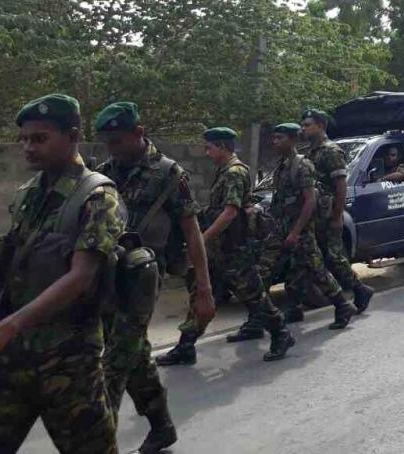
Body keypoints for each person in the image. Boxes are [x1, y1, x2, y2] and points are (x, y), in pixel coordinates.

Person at [0, 95, 124, 454]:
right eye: (24, 139)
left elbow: (81, 277)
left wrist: (9, 326)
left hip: (68, 362)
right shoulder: (28, 195)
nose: (28, 147)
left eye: (39, 138)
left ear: (73, 136)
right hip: (13, 358)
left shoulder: (98, 196)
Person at [95, 102, 214, 454]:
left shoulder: (169, 174)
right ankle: (162, 426)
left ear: (139, 132)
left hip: (145, 279)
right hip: (108, 275)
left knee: (115, 361)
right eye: (107, 142)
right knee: (135, 353)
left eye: (117, 140)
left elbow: (192, 232)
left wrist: (203, 290)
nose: (112, 148)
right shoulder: (104, 173)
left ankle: (94, 441)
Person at [157, 127, 294, 366]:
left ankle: (281, 333)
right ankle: (185, 346)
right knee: (200, 295)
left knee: (253, 296)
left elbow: (230, 212)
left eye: (209, 148)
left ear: (221, 146)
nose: (206, 153)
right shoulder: (225, 171)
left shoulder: (234, 172)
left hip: (233, 250)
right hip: (219, 249)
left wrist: (203, 239)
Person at [257, 123, 357, 328]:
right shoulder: (282, 166)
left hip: (300, 230)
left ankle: (342, 305)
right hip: (281, 227)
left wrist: (295, 232)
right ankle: (265, 316)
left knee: (317, 271)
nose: (275, 142)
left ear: (292, 140)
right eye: (274, 138)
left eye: (280, 138)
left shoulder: (303, 165)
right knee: (272, 269)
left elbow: (310, 201)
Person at [300, 108, 374, 314]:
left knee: (334, 258)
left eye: (307, 125)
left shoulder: (331, 151)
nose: (303, 129)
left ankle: (360, 289)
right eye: (302, 125)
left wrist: (337, 216)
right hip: (314, 215)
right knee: (311, 258)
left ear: (320, 126)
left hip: (328, 214)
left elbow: (341, 186)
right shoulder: (310, 152)